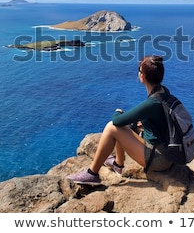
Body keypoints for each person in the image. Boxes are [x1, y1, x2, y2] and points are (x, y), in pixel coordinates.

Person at [67, 54, 173, 185]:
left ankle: (92, 173)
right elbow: (159, 120)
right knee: (127, 125)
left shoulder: (152, 102)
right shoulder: (164, 92)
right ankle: (118, 163)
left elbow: (117, 121)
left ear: (142, 76)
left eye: (139, 70)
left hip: (159, 159)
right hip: (167, 152)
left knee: (112, 127)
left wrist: (117, 112)